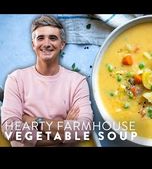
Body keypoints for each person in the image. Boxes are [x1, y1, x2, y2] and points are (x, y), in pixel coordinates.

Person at [0, 15, 93, 147]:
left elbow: (83, 129)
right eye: (40, 38)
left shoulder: (78, 81)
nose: (47, 43)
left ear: (62, 44)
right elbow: (10, 129)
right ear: (33, 44)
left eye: (53, 38)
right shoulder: (15, 79)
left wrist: (35, 121)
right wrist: (63, 131)